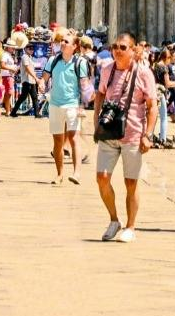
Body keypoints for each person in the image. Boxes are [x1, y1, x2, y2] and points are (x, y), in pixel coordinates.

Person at [90, 33, 156, 242]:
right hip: (109, 132)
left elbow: (152, 106)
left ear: (133, 50)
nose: (117, 50)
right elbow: (100, 94)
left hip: (133, 133)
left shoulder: (144, 73)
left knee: (131, 182)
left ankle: (131, 227)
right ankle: (114, 220)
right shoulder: (107, 69)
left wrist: (148, 135)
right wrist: (96, 120)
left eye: (123, 47)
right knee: (102, 178)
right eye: (115, 46)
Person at [46, 31, 88, 184]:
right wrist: (41, 83)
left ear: (75, 46)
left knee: (74, 138)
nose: (62, 43)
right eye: (62, 41)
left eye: (66, 42)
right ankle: (59, 174)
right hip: (55, 104)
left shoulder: (80, 63)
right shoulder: (53, 60)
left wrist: (82, 105)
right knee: (58, 141)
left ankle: (77, 173)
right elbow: (45, 77)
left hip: (72, 105)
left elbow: (84, 85)